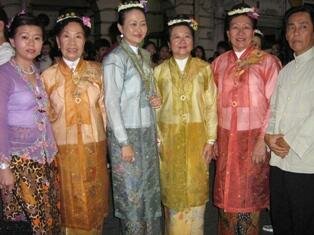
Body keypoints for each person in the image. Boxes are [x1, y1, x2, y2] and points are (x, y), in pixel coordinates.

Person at [211, 3, 281, 234]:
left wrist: (263, 140)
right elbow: (210, 106)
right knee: (227, 197)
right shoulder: (218, 64)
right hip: (225, 140)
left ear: (254, 32)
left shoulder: (268, 63)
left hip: (253, 142)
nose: (240, 33)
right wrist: (212, 140)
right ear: (227, 33)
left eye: (246, 28)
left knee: (248, 197)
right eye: (235, 28)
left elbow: (274, 105)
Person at [41, 11, 109, 234]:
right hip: (63, 154)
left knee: (94, 207)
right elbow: (43, 119)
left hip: (94, 149)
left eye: (78, 36)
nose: (72, 42)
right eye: (66, 36)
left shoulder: (98, 72)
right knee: (68, 208)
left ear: (85, 40)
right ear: (58, 42)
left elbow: (106, 112)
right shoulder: (47, 77)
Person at [154, 15, 217, 235]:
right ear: (169, 43)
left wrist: (211, 139)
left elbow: (211, 106)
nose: (182, 41)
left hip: (197, 139)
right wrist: (157, 138)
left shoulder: (204, 69)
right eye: (176, 37)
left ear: (193, 40)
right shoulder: (159, 72)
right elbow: (154, 109)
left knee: (196, 191)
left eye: (187, 36)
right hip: (169, 140)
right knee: (173, 195)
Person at [103, 1, 161, 234]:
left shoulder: (145, 56)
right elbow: (111, 103)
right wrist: (123, 142)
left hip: (146, 133)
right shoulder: (115, 59)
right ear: (120, 27)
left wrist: (155, 99)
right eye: (132, 24)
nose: (139, 29)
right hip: (125, 135)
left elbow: (145, 92)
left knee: (148, 192)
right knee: (132, 195)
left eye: (142, 24)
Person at [0, 12, 60, 233]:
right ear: (12, 41)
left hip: (45, 157)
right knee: (34, 223)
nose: (31, 43)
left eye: (37, 38)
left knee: (48, 216)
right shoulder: (4, 74)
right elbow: (0, 124)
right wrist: (3, 167)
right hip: (20, 160)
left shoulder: (36, 71)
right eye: (24, 37)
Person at [265, 5, 314, 235]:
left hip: (306, 163)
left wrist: (291, 142)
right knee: (281, 219)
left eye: (303, 27)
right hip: (279, 161)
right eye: (291, 28)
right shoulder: (285, 70)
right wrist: (269, 136)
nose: (296, 33)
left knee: (304, 223)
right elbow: (273, 109)